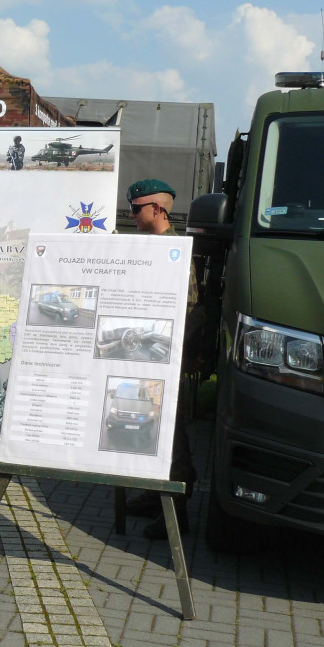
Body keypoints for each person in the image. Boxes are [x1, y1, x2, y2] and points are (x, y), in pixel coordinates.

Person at [125, 178, 202, 539]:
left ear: (157, 209)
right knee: (147, 428)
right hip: (142, 354)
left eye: (137, 208)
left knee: (170, 436)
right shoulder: (149, 247)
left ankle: (178, 509)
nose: (132, 214)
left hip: (163, 357)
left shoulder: (175, 252)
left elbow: (186, 311)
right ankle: (155, 497)